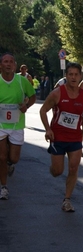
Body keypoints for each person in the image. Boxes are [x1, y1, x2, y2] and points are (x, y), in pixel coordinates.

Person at [40, 62, 83, 212]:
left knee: (73, 168)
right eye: (70, 74)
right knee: (57, 171)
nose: (73, 77)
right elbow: (43, 110)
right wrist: (47, 129)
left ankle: (67, 200)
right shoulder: (57, 93)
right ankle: (53, 168)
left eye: (76, 74)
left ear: (80, 76)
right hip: (58, 137)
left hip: (75, 138)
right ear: (66, 76)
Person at [0, 53, 36, 200]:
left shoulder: (22, 81)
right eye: (5, 62)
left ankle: (10, 163)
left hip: (16, 124)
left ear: (15, 65)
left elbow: (32, 96)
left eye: (11, 62)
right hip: (0, 124)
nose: (8, 64)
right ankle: (4, 187)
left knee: (13, 158)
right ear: (1, 65)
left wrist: (26, 105)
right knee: (1, 157)